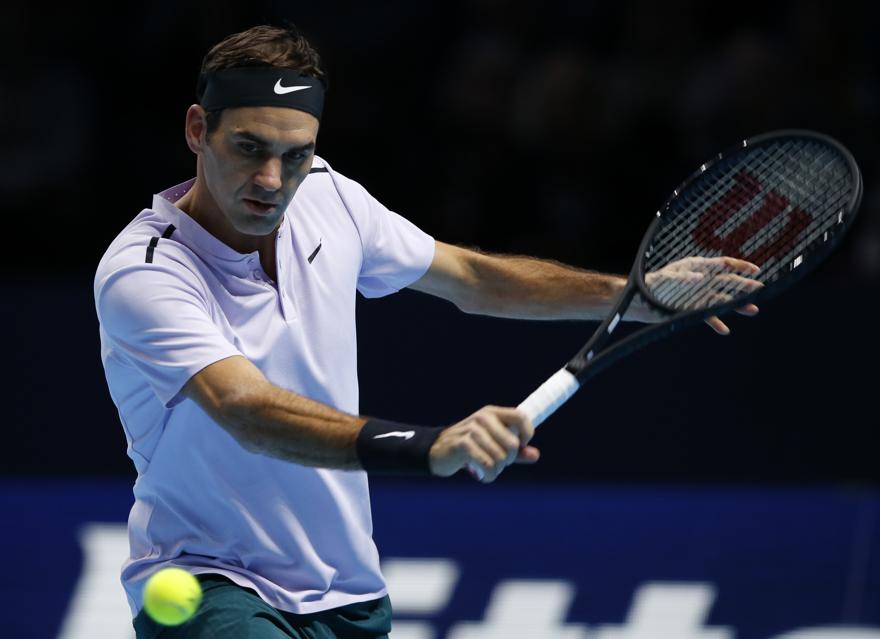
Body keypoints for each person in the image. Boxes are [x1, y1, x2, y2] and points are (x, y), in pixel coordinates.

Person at [94, 23, 759, 639]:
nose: (272, 180)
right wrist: (430, 445)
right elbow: (246, 406)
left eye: (295, 155)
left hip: (348, 589)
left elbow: (469, 275)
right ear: (196, 130)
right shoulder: (145, 271)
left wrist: (630, 296)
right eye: (248, 148)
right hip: (211, 582)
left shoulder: (328, 197)